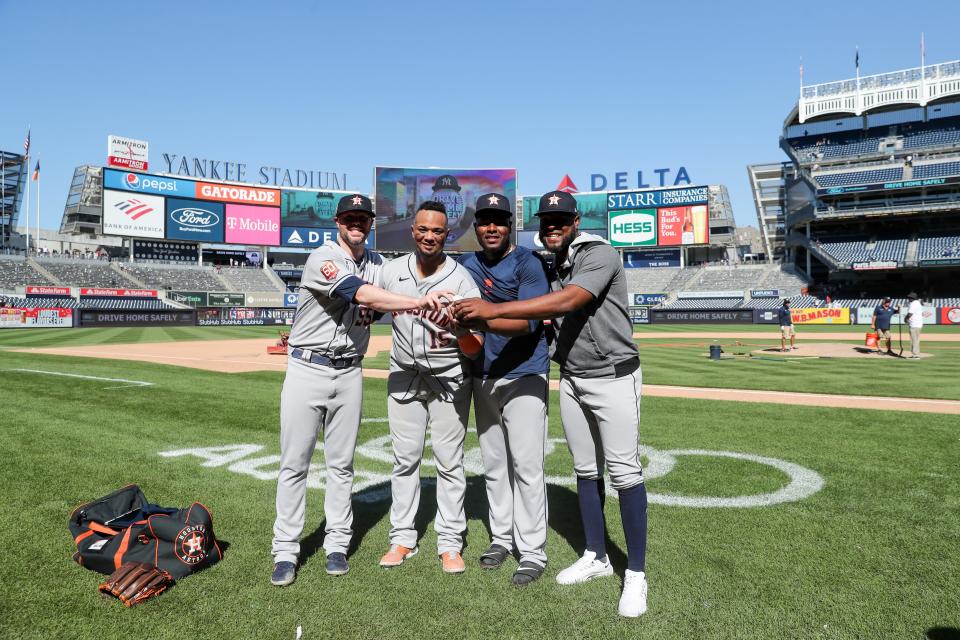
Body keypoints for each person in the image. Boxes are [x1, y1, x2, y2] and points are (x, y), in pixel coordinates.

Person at [453, 190, 649, 618]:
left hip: (614, 374)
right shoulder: (553, 262)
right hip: (574, 378)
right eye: (547, 221)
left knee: (624, 472)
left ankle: (635, 574)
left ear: (576, 221)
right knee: (584, 470)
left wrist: (490, 309)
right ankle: (596, 556)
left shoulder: (599, 253)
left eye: (561, 220)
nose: (553, 227)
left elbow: (567, 302)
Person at [271, 194, 452, 587]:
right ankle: (285, 550)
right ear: (338, 221)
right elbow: (364, 294)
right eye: (350, 217)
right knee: (294, 464)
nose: (356, 224)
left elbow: (401, 284)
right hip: (308, 368)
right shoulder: (323, 257)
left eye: (363, 218)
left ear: (370, 223)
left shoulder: (379, 265)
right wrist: (421, 302)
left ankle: (337, 544)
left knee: (341, 466)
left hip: (349, 371)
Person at [377, 200, 483, 575]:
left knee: (450, 463)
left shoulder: (461, 280)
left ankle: (450, 543)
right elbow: (368, 304)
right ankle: (402, 538)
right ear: (413, 231)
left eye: (437, 231)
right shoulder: (389, 272)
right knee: (404, 460)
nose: (429, 236)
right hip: (404, 376)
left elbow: (476, 346)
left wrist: (459, 329)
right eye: (423, 229)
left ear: (447, 235)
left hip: (449, 378)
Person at [458, 193, 551, 586]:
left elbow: (529, 323)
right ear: (476, 226)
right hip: (484, 375)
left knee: (527, 466)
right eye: (484, 221)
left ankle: (532, 552)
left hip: (525, 374)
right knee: (494, 466)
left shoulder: (527, 263)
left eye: (498, 220)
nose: (491, 227)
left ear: (510, 224)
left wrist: (484, 315)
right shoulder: (466, 264)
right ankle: (501, 537)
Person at [905, 292, 923, 359]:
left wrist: (905, 319)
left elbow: (910, 314)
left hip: (914, 324)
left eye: (909, 298)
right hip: (917, 324)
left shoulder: (913, 304)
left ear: (913, 298)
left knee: (914, 340)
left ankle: (915, 355)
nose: (908, 299)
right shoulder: (917, 303)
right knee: (915, 340)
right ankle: (915, 354)